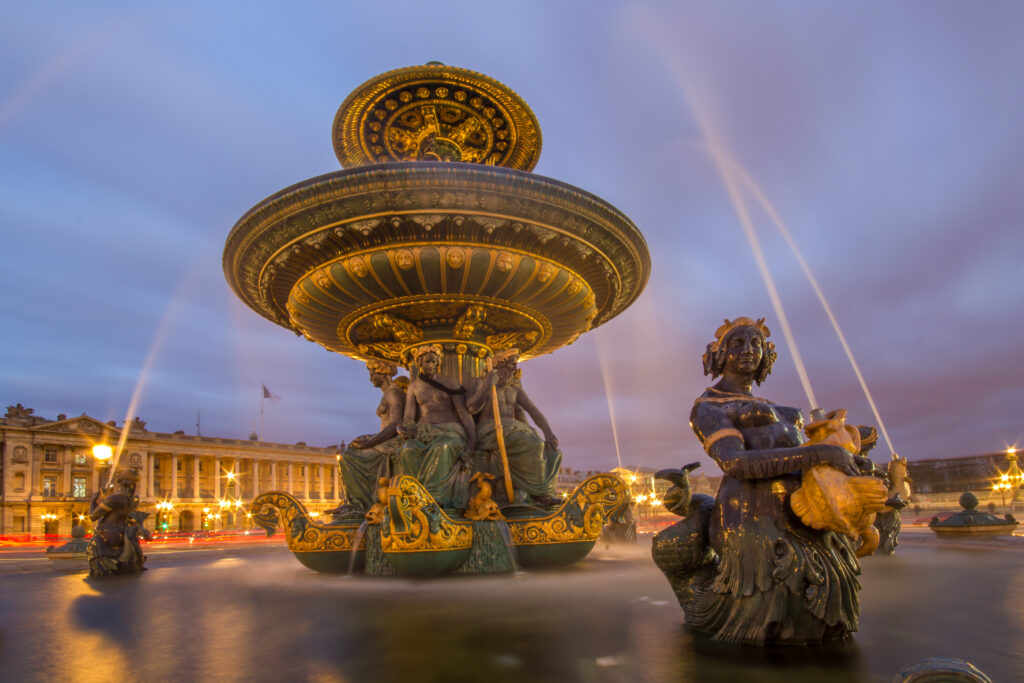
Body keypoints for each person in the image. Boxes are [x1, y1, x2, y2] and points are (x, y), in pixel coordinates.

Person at [654, 317, 864, 645]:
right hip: (752, 514)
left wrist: (846, 457)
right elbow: (734, 462)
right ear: (719, 354)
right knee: (776, 605)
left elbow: (809, 455)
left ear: (767, 355)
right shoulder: (708, 407)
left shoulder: (779, 408)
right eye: (737, 343)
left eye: (756, 344)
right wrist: (820, 454)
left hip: (802, 512)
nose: (748, 350)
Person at [466, 348, 562, 505]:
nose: (513, 370)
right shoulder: (481, 383)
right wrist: (487, 387)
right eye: (510, 365)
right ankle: (539, 493)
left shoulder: (514, 389)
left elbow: (533, 411)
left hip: (510, 429)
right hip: (488, 430)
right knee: (533, 443)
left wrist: (548, 432)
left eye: (514, 366)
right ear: (498, 367)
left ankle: (540, 490)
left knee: (552, 451)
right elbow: (471, 408)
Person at [396, 345, 476, 509]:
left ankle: (434, 499)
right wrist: (402, 429)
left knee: (442, 446)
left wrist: (472, 439)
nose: (430, 365)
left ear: (438, 362)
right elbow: (409, 418)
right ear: (419, 363)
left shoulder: (449, 383)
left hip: (450, 430)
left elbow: (463, 412)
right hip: (423, 432)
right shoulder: (414, 387)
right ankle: (412, 496)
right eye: (426, 361)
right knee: (408, 449)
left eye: (433, 361)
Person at [329, 360, 406, 517]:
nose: (370, 378)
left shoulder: (394, 393)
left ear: (383, 373)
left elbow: (395, 425)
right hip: (384, 439)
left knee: (347, 457)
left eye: (373, 373)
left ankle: (359, 504)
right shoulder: (388, 394)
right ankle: (353, 502)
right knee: (351, 450)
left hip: (392, 442)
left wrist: (370, 441)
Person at [87, 469, 149, 576]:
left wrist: (93, 501)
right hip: (125, 535)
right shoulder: (135, 499)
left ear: (120, 483)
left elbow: (92, 517)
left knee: (93, 547)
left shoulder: (114, 499)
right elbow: (131, 517)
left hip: (108, 535)